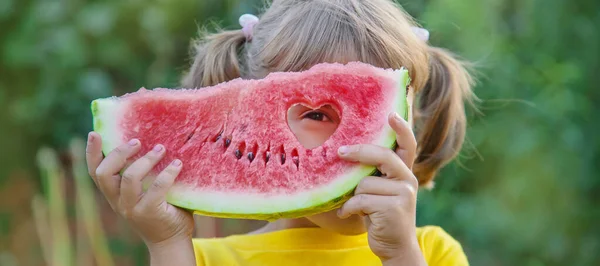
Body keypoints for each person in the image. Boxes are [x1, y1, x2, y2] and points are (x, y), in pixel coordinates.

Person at [85, 0, 475, 265]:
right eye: (319, 114)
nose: (358, 145)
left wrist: (400, 254)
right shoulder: (201, 258)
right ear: (254, 122)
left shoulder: (432, 252)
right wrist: (166, 243)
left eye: (383, 116)